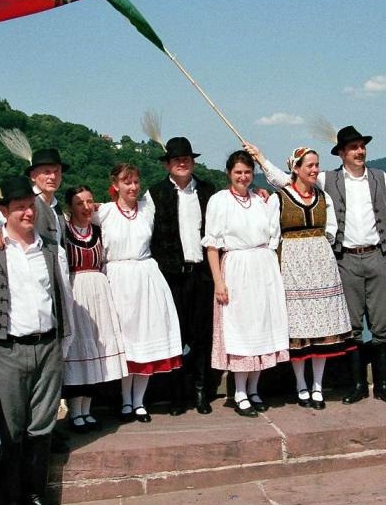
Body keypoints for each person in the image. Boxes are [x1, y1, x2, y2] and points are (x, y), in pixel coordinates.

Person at [251, 126, 386, 405]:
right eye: (353, 147)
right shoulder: (327, 179)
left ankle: (384, 385)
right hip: (345, 258)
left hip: (377, 255)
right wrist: (261, 159)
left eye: (362, 146)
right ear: (343, 153)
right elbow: (286, 179)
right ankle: (358, 385)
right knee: (354, 326)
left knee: (381, 324)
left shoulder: (383, 178)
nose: (359, 151)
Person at [0, 177, 70, 505]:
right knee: (10, 431)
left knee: (42, 427)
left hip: (48, 346)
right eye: (18, 207)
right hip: (6, 349)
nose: (27, 211)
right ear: (3, 211)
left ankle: (36, 497)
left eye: (30, 205)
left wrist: (61, 344)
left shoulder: (50, 249)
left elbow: (63, 297)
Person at [248, 144, 354, 409]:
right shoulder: (280, 197)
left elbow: (331, 228)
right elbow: (272, 235)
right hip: (292, 264)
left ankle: (317, 385)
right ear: (295, 169)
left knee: (322, 328)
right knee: (298, 329)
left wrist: (319, 249)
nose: (315, 170)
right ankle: (301, 385)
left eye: (317, 165)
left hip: (320, 263)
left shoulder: (322, 196)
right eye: (310, 166)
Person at [202, 150, 289, 417]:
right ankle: (239, 392)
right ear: (229, 173)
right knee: (241, 329)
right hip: (237, 268)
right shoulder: (219, 201)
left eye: (248, 172)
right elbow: (212, 245)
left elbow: (286, 186)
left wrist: (262, 158)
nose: (243, 177)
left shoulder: (262, 200)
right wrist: (219, 282)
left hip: (263, 268)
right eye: (238, 172)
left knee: (262, 326)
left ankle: (254, 389)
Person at [98, 163, 184, 422]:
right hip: (117, 279)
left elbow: (178, 189)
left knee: (146, 337)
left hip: (146, 278)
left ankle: (139, 401)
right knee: (126, 342)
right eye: (127, 182)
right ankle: (125, 401)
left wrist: (263, 194)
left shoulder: (148, 208)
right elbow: (71, 217)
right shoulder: (103, 212)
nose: (133, 187)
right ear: (116, 185)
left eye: (136, 182)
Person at [145, 136, 218, 414]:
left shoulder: (209, 191)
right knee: (175, 337)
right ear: (167, 165)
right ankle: (177, 395)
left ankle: (201, 392)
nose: (182, 163)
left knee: (201, 337)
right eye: (176, 160)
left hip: (201, 275)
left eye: (186, 158)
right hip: (171, 277)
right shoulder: (154, 194)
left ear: (193, 161)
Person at [61, 185, 129, 432]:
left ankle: (87, 409)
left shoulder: (99, 230)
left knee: (95, 350)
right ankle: (75, 411)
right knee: (78, 350)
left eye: (90, 202)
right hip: (76, 288)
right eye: (80, 203)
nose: (86, 207)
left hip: (99, 291)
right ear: (70, 206)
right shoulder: (64, 230)